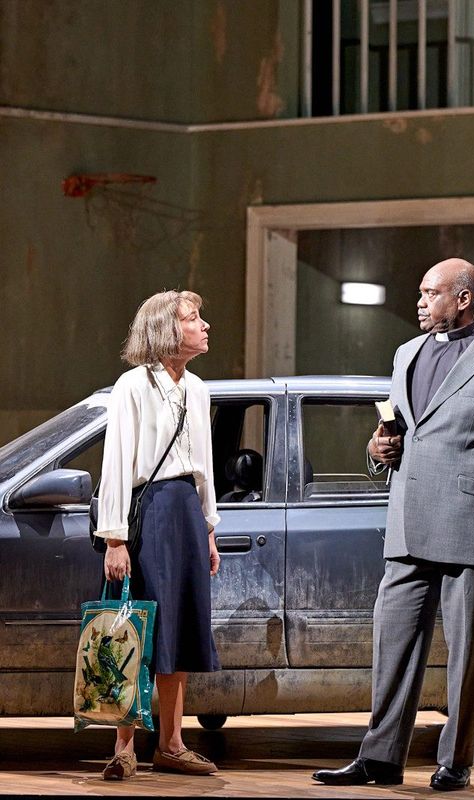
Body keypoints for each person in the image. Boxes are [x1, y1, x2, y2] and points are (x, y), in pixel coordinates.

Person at [313, 258, 474, 791]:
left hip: (472, 525)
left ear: (462, 299)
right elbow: (401, 430)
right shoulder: (406, 354)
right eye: (419, 292)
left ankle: (456, 761)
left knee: (466, 654)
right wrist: (376, 450)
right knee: (392, 645)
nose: (419, 301)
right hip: (408, 524)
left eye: (430, 293)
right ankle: (380, 759)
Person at [95, 290, 221, 781]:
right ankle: (123, 745)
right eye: (194, 319)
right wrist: (114, 537)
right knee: (136, 625)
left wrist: (209, 530)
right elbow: (116, 463)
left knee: (182, 627)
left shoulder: (199, 389)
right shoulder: (133, 386)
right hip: (150, 513)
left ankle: (171, 743)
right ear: (167, 331)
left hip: (186, 513)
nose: (204, 326)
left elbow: (203, 470)